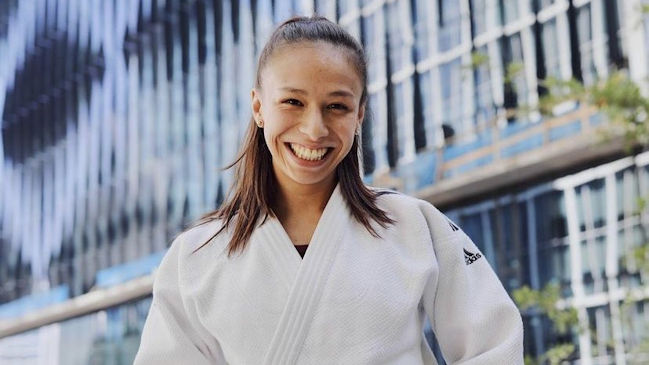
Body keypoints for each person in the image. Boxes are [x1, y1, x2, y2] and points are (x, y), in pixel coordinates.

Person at [134, 16, 524, 365]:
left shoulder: (414, 226)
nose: (315, 129)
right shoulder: (196, 256)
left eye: (336, 106)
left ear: (359, 114)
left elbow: (495, 345)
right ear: (258, 107)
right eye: (292, 102)